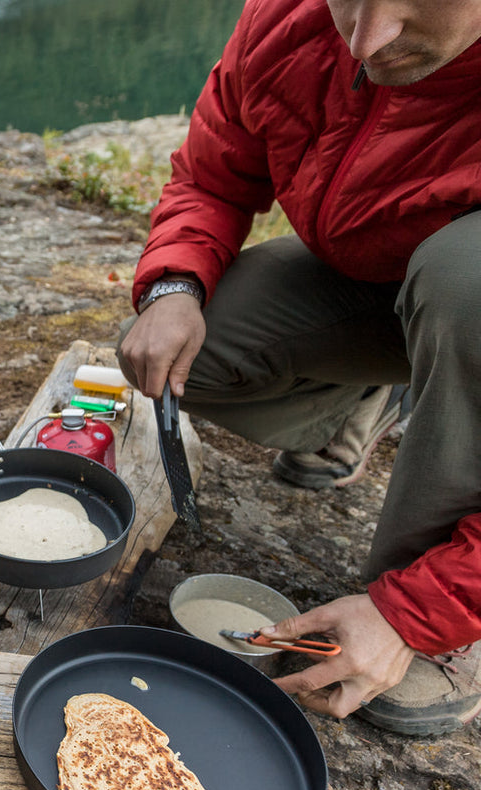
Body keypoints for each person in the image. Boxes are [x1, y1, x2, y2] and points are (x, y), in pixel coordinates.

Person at [119, 0, 481, 735]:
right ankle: (372, 393)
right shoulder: (290, 17)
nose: (368, 39)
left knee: (466, 285)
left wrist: (416, 612)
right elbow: (212, 179)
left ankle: (448, 635)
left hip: (463, 293)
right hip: (380, 284)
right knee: (195, 352)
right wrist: (174, 287)